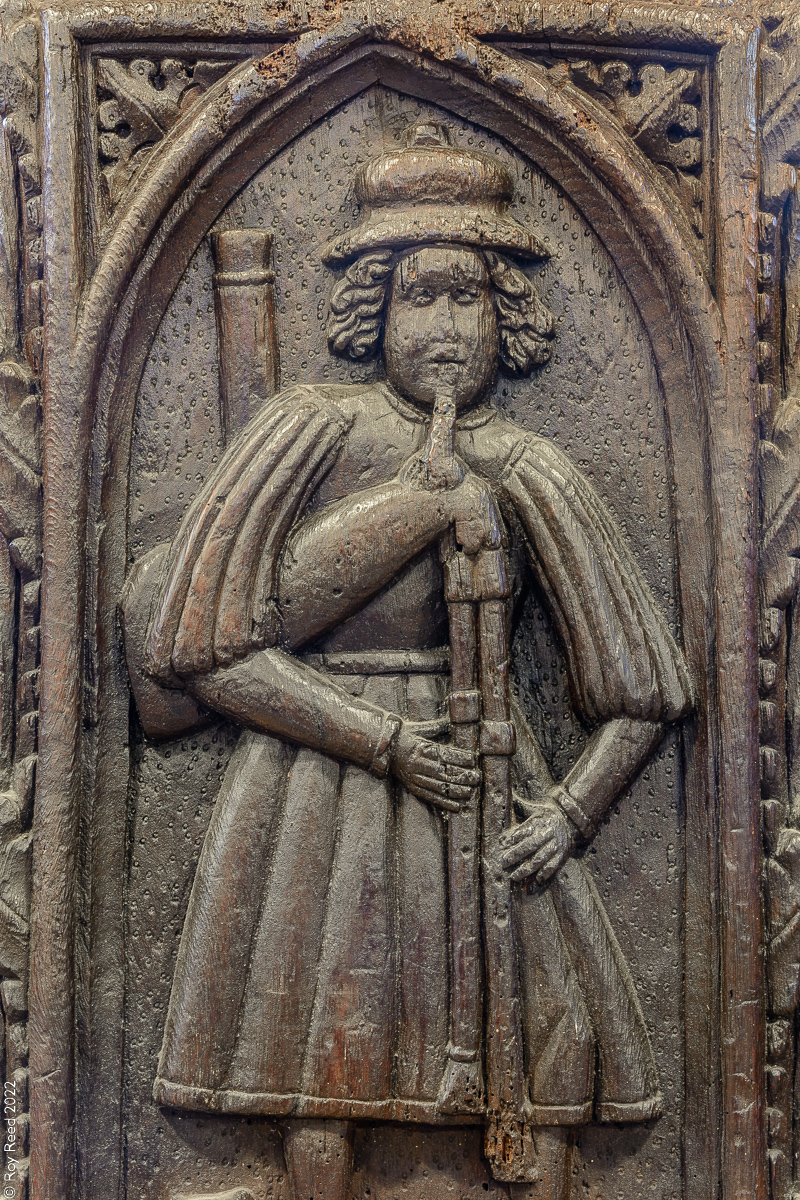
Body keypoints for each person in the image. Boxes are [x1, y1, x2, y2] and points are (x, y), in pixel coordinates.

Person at [123, 122, 694, 1199]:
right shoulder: (309, 430)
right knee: (324, 1064)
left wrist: (566, 816)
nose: (443, 326)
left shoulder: (530, 466)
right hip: (314, 778)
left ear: (506, 317)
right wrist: (382, 741)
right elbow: (197, 652)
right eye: (417, 297)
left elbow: (644, 688)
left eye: (465, 297)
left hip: (483, 787)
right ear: (370, 312)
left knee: (537, 1055)